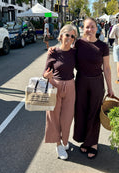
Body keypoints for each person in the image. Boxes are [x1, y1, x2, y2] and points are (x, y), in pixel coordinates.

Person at [73, 17, 114, 159]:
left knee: (94, 113)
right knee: (80, 111)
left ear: (97, 28)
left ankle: (93, 143)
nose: (89, 29)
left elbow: (107, 68)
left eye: (92, 27)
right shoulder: (78, 44)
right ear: (82, 29)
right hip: (80, 82)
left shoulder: (103, 46)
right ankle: (84, 140)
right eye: (87, 27)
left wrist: (110, 88)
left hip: (97, 82)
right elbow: (66, 54)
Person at [43, 24, 78, 160]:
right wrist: (46, 76)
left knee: (67, 118)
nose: (69, 38)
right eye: (67, 34)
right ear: (61, 35)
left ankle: (64, 140)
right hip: (54, 86)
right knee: (54, 117)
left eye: (72, 36)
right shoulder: (53, 52)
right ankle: (58, 144)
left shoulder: (75, 52)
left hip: (70, 86)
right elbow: (45, 72)